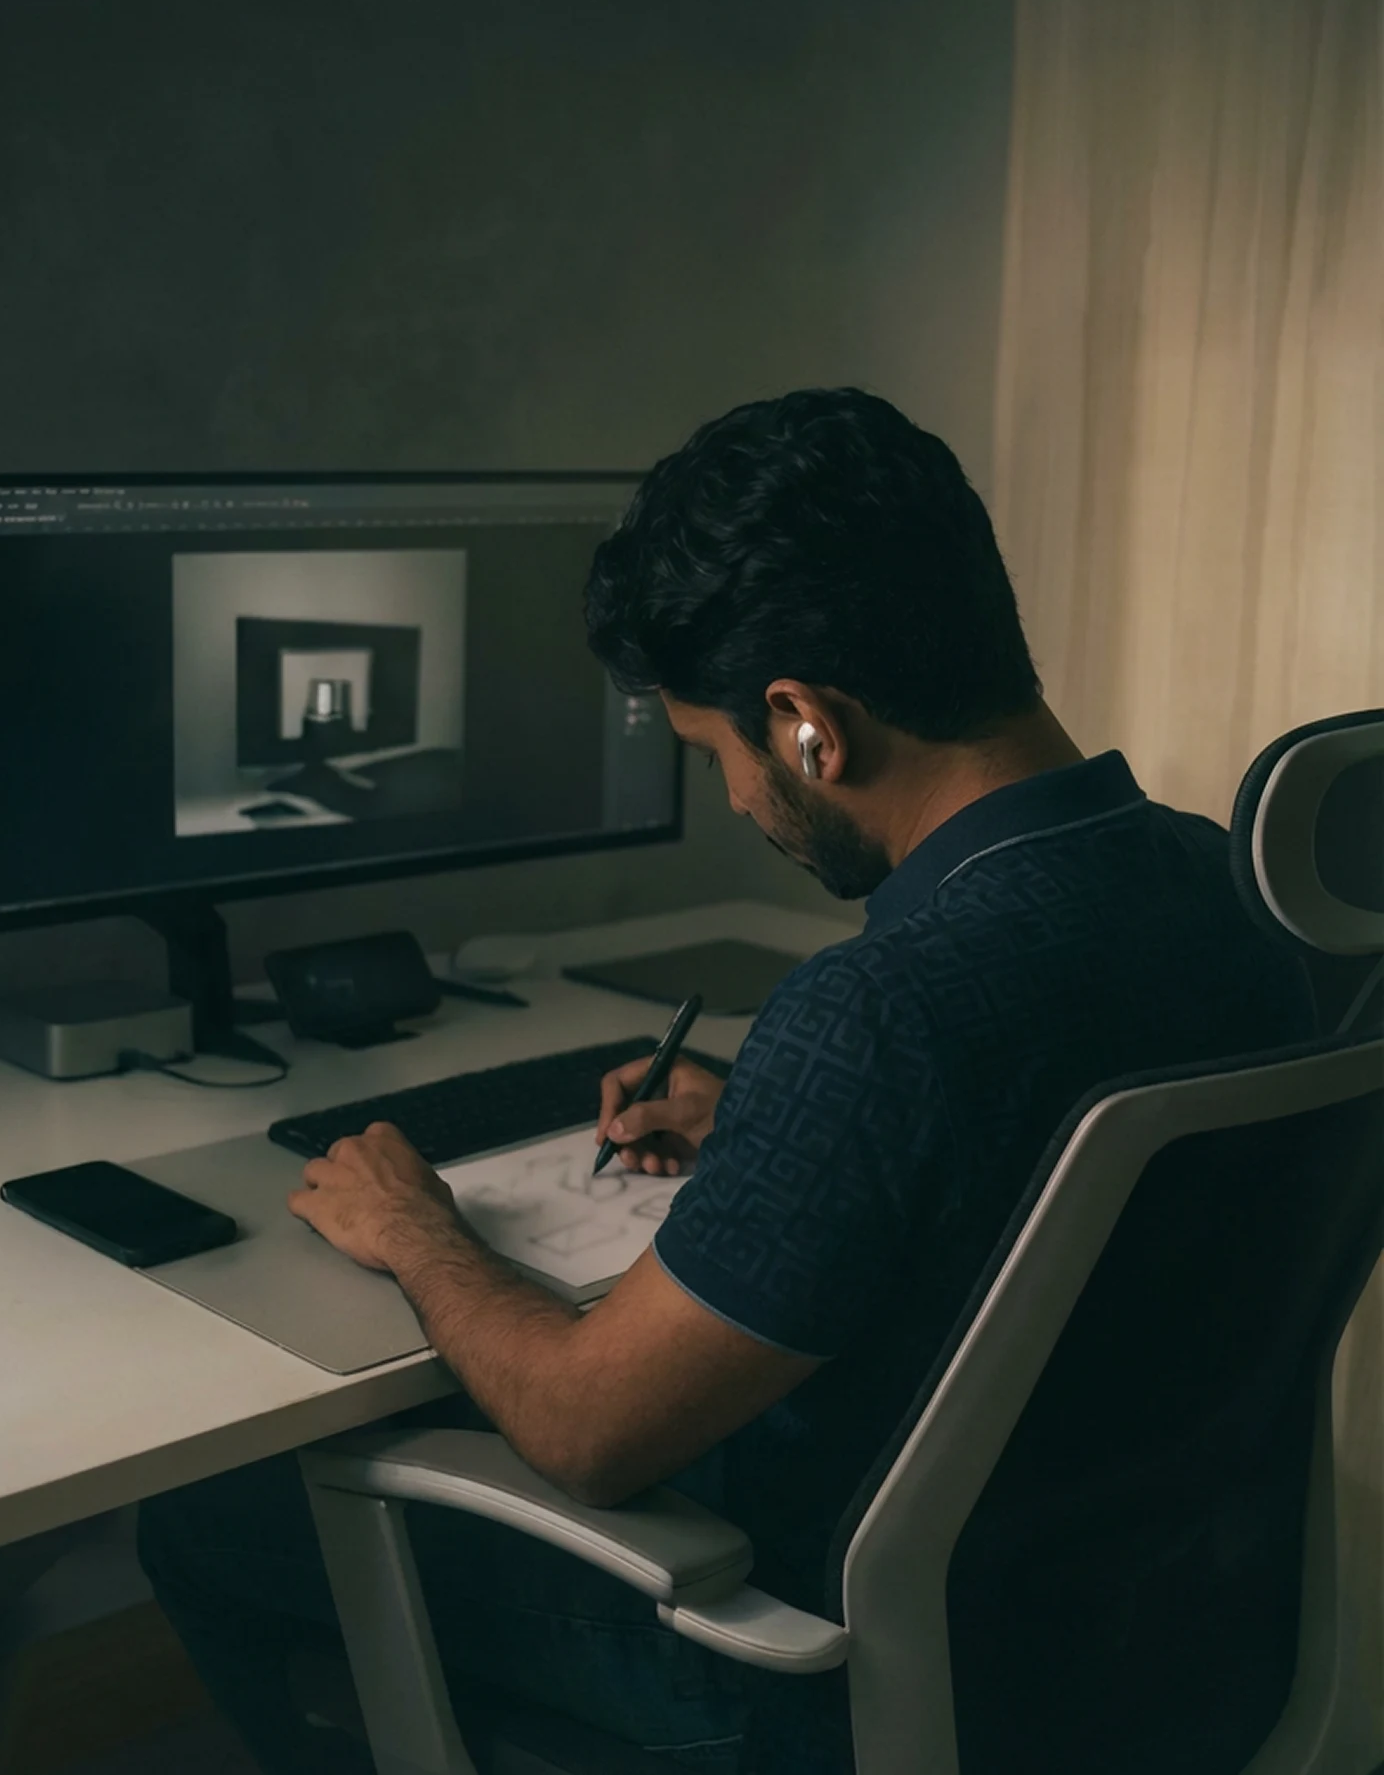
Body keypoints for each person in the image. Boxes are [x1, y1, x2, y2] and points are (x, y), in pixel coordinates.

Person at [139, 388, 1316, 1774]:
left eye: (716, 756)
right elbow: (1033, 1130)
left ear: (806, 723)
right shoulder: (1246, 896)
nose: (741, 803)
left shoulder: (882, 1013)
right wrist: (774, 1119)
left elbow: (589, 1430)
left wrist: (416, 1229)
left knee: (209, 1517)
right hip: (1172, 1639)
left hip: (833, 1679)